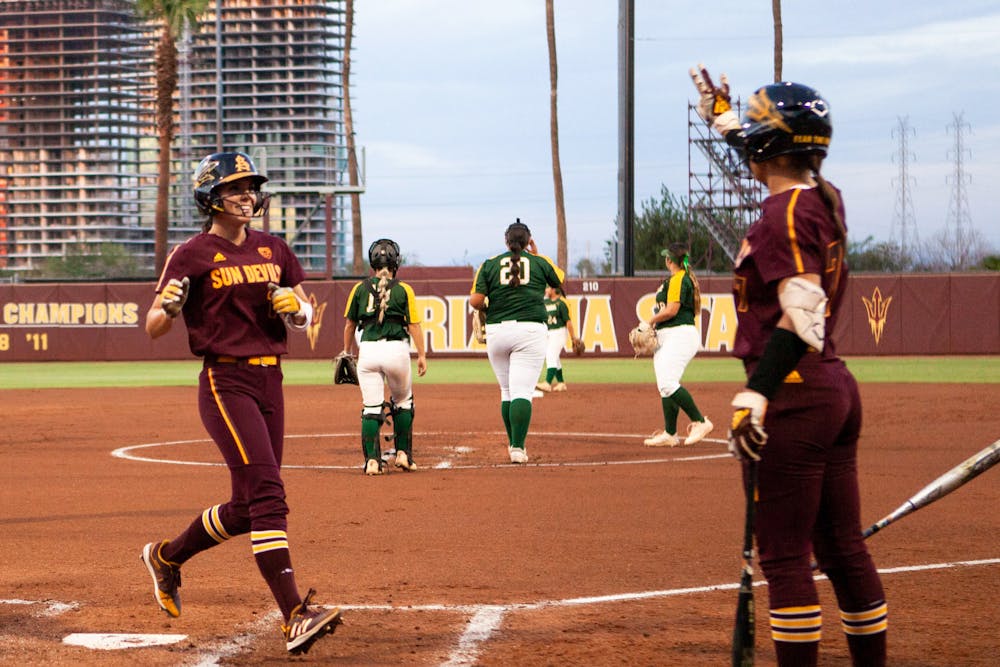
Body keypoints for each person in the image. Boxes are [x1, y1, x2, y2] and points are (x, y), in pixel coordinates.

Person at [692, 67, 887, 666]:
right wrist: (723, 116)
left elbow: (802, 315)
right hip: (832, 388)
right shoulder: (820, 198)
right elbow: (774, 151)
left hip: (796, 396)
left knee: (782, 556)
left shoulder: (782, 216)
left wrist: (758, 394)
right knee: (841, 547)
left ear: (769, 147)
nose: (747, 141)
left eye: (754, 134)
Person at [141, 151, 342, 655]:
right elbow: (153, 325)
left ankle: (166, 557)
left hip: (271, 379)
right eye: (236, 188)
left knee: (247, 508)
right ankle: (295, 612)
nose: (248, 195)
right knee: (270, 492)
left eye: (252, 187)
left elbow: (305, 318)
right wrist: (168, 308)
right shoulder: (191, 253)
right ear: (210, 198)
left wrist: (297, 311)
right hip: (225, 382)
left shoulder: (275, 248)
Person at [470, 219, 564, 463]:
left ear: (505, 241)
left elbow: (476, 300)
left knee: (507, 391)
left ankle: (513, 443)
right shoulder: (539, 262)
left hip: (497, 332)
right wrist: (536, 252)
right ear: (528, 241)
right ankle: (518, 448)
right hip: (530, 331)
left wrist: (488, 304)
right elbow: (559, 281)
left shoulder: (488, 265)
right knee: (523, 391)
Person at [341, 238, 427, 475]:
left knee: (371, 407)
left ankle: (371, 462)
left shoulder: (359, 289)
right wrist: (421, 355)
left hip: (368, 351)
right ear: (396, 262)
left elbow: (349, 325)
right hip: (396, 351)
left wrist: (346, 352)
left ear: (373, 264)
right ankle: (403, 455)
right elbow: (415, 326)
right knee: (403, 402)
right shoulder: (404, 289)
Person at [642, 242, 714, 447]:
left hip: (679, 334)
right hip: (669, 335)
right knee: (665, 386)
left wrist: (649, 322)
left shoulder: (680, 279)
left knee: (667, 383)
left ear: (670, 260)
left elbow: (672, 310)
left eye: (667, 257)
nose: (666, 260)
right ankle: (670, 433)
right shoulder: (674, 279)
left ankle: (700, 421)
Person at [535, 285, 580, 393]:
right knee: (554, 357)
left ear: (554, 290)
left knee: (551, 355)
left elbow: (568, 322)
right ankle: (561, 383)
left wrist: (573, 337)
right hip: (548, 332)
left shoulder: (561, 303)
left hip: (559, 332)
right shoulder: (546, 302)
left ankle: (547, 383)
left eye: (548, 288)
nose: (546, 290)